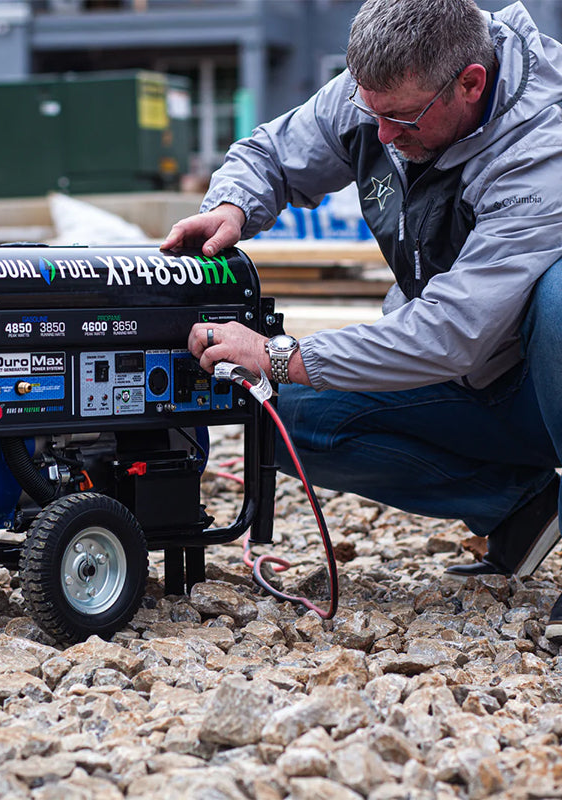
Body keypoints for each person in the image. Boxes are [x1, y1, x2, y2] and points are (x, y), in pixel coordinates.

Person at [162, 0, 562, 639]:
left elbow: (452, 332)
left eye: (400, 118)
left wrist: (283, 354)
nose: (381, 135)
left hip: (542, 377)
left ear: (471, 83)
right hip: (478, 381)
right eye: (370, 112)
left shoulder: (543, 147)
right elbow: (270, 152)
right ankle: (523, 509)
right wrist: (233, 204)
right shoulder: (384, 91)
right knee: (283, 417)